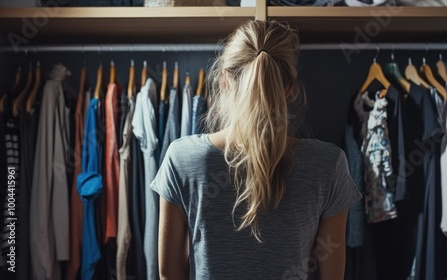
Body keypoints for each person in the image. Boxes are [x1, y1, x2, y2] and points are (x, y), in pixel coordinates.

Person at [150, 20, 361, 280]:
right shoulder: (329, 164)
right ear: (289, 90)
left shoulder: (182, 158)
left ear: (224, 80)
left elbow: (168, 275)